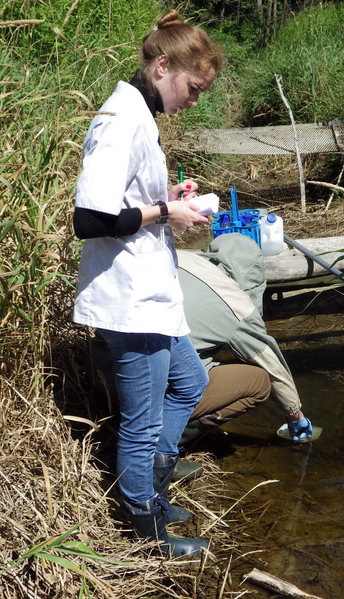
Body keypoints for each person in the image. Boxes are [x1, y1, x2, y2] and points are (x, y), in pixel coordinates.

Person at [72, 9, 222, 557]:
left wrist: (168, 199)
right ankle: (146, 531)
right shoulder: (122, 119)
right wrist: (164, 212)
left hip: (149, 294)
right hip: (129, 300)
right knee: (142, 422)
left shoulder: (140, 113)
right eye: (194, 87)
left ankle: (153, 491)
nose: (194, 100)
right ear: (163, 67)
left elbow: (124, 201)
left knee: (189, 381)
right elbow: (89, 219)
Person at [176, 234, 315, 455]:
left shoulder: (179, 257)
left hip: (121, 367)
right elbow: (272, 366)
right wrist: (294, 414)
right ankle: (170, 440)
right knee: (259, 383)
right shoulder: (234, 303)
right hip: (155, 391)